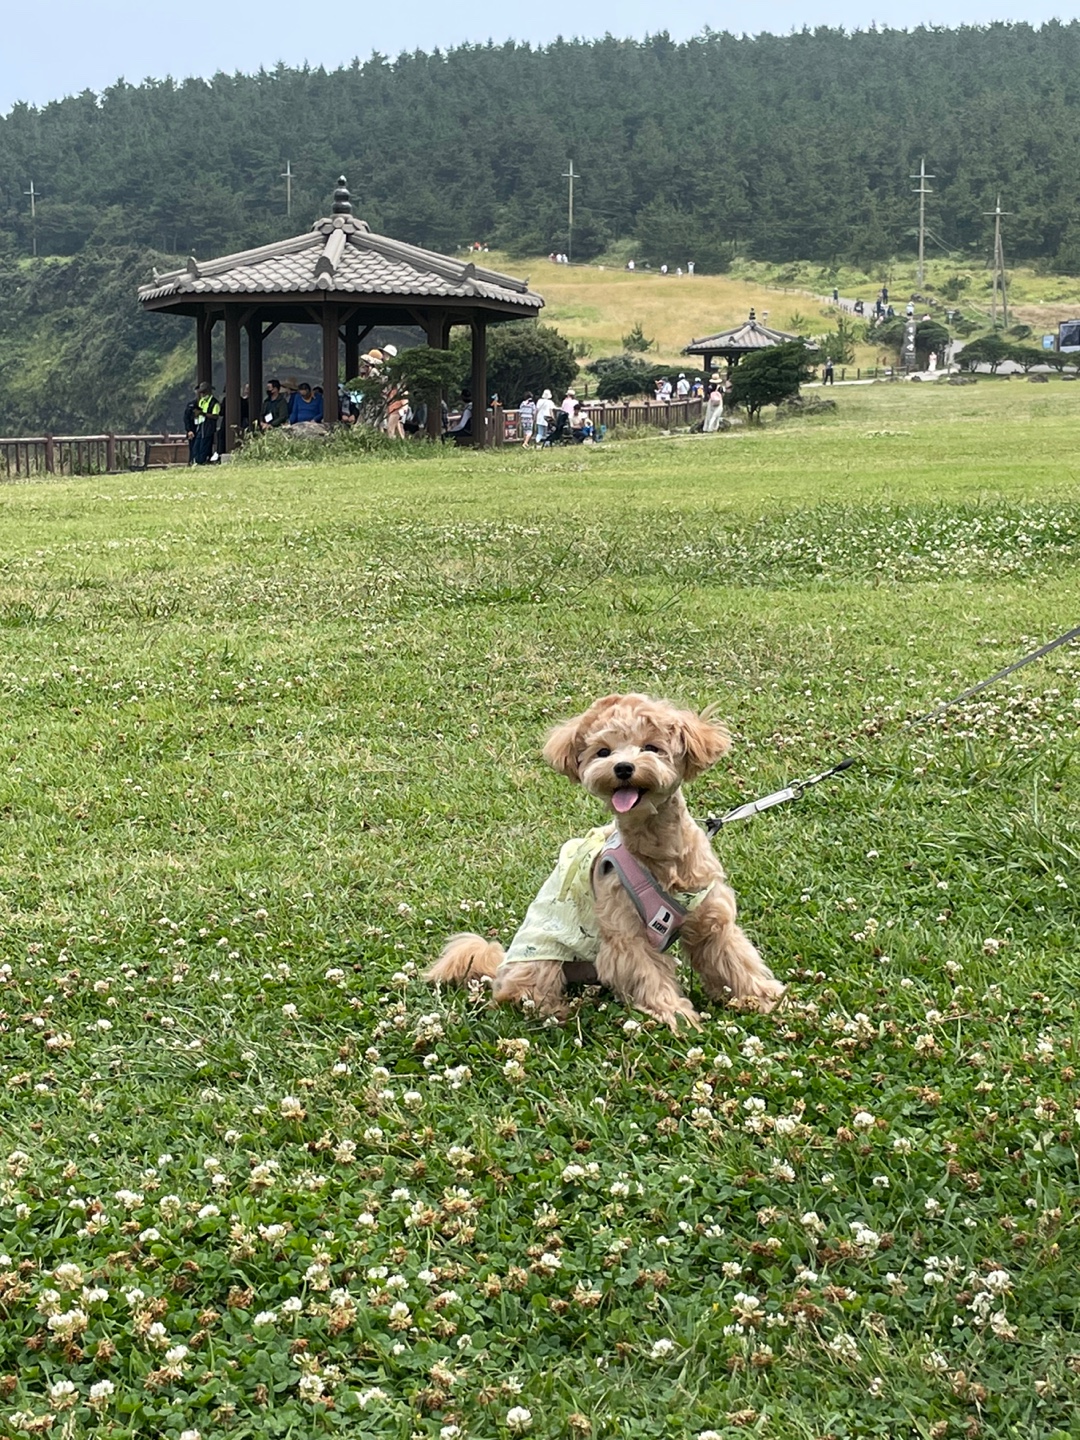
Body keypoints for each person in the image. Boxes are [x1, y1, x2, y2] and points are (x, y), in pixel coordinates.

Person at [186, 380, 221, 464]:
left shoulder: (214, 403)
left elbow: (215, 416)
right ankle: (196, 461)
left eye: (204, 392)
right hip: (200, 427)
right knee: (196, 447)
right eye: (201, 392)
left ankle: (202, 461)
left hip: (208, 428)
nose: (202, 394)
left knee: (204, 448)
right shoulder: (201, 401)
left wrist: (202, 413)